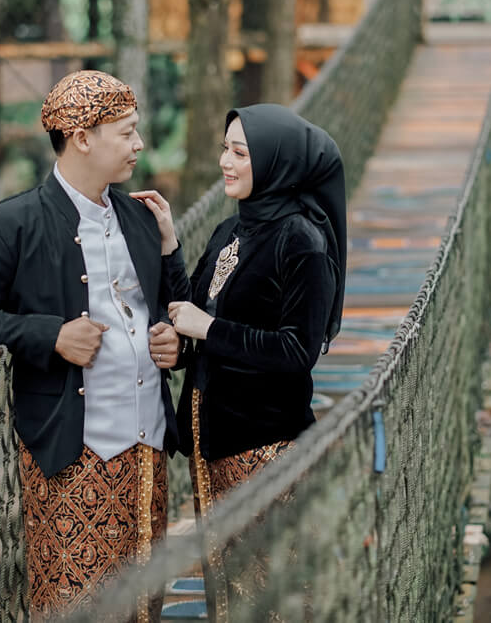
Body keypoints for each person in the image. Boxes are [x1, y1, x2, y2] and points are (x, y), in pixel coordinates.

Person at [0, 70, 188, 621]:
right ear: (82, 138)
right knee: (73, 605)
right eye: (126, 132)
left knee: (144, 604)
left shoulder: (142, 217)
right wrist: (50, 334)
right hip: (71, 451)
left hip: (148, 448)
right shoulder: (7, 225)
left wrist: (174, 341)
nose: (139, 144)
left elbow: (172, 308)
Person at [155, 103, 347, 620]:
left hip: (267, 449)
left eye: (240, 153)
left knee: (274, 596)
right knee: (227, 591)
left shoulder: (303, 242)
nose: (225, 161)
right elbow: (193, 312)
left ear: (276, 162)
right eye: (225, 149)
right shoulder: (230, 232)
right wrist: (170, 244)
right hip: (212, 445)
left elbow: (296, 351)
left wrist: (208, 329)